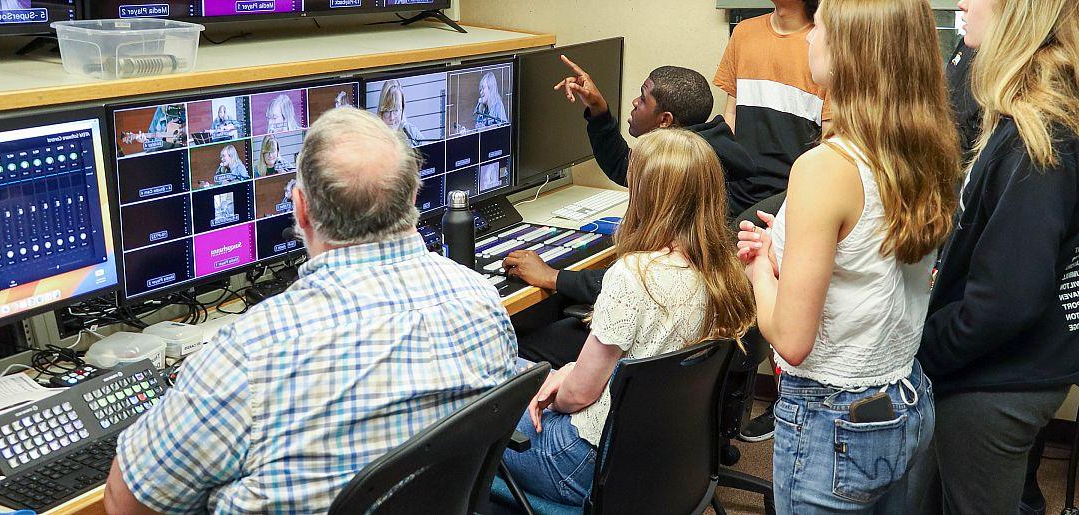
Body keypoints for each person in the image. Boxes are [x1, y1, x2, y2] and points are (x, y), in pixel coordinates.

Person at [104, 107, 519, 513]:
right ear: (413, 195)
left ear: (300, 208)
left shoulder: (250, 353)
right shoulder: (479, 297)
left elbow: (125, 503)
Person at [736, 0, 959, 511]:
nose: (809, 34)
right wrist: (792, 246)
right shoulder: (927, 147)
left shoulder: (825, 166)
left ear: (851, 52)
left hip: (833, 422)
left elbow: (792, 341)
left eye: (821, 25)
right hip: (906, 398)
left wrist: (759, 271)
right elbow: (870, 254)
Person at [500, 128, 755, 506]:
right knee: (529, 373)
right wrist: (569, 371)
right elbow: (642, 361)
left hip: (581, 461)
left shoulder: (635, 274)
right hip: (659, 458)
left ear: (648, 198)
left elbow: (579, 396)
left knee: (481, 390)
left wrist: (550, 396)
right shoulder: (724, 271)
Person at [908, 0, 1079, 513]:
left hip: (993, 382)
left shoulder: (1038, 131)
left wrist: (923, 351)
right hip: (996, 368)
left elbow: (1006, 300)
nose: (960, 3)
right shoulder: (1020, 110)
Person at [504, 60, 756, 366]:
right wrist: (598, 111)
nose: (635, 103)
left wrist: (554, 277)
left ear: (665, 120)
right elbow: (628, 168)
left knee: (520, 346)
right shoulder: (701, 153)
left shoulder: (699, 172)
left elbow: (647, 280)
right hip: (683, 350)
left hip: (655, 343)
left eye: (643, 97)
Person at [714, 0, 830, 442]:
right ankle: (726, 414)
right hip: (739, 184)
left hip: (790, 192)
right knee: (726, 294)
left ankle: (782, 409)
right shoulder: (745, 33)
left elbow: (829, 138)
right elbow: (731, 113)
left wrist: (794, 203)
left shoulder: (824, 41)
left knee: (780, 298)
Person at [377, 80, 430, 146]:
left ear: (402, 109)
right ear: (381, 112)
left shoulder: (412, 132)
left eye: (396, 110)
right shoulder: (374, 138)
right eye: (387, 111)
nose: (392, 117)